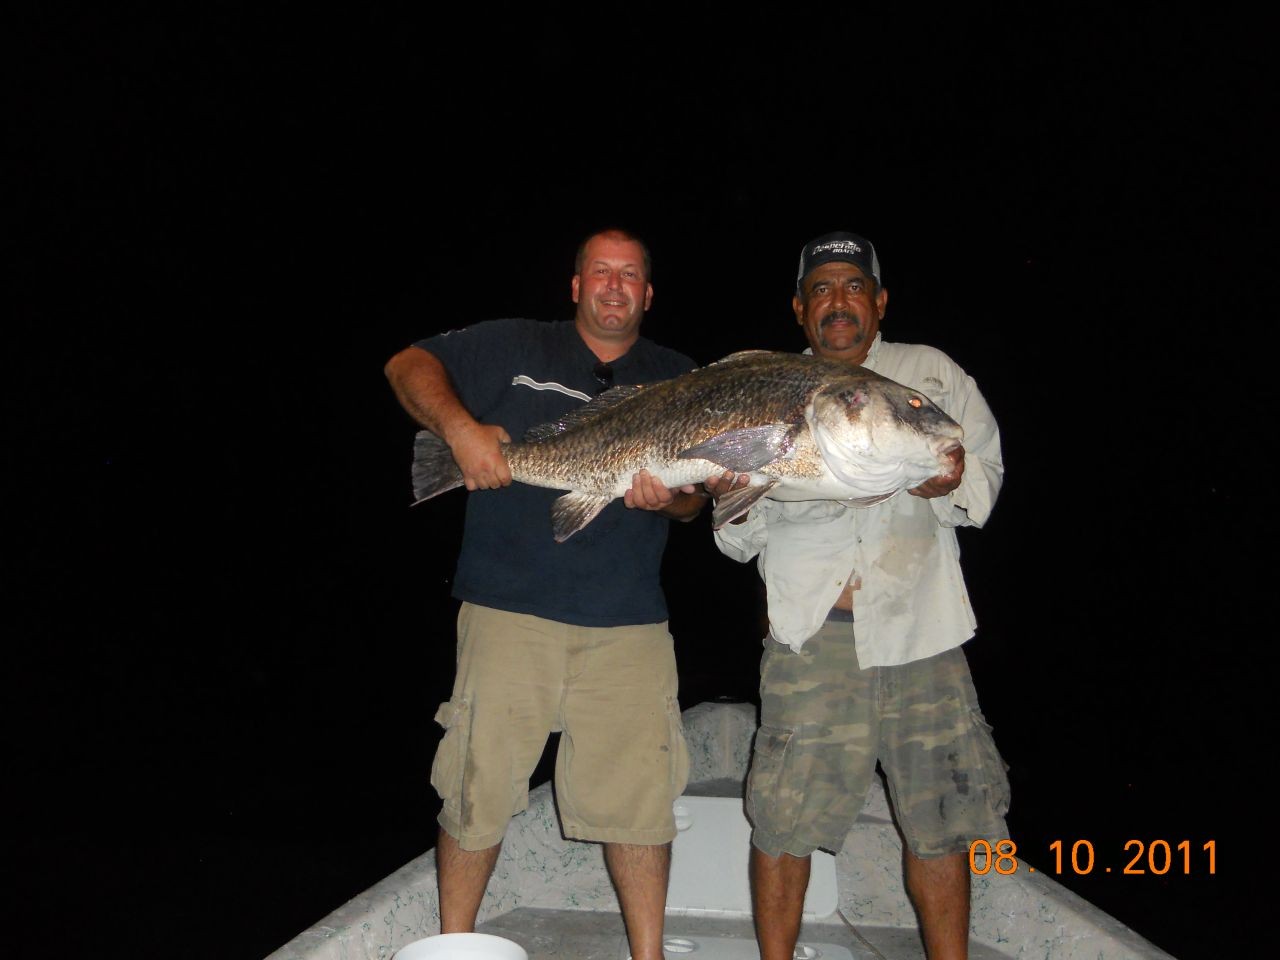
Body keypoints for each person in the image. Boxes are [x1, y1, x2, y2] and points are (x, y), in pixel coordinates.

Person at [384, 229, 709, 960]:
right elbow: (407, 364)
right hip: (507, 613)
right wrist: (462, 434)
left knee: (640, 803)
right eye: (601, 272)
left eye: (630, 275)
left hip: (628, 622)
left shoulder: (678, 376)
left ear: (648, 294)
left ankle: (648, 956)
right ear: (576, 285)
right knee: (477, 791)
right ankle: (456, 947)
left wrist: (673, 500)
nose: (615, 286)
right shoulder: (516, 344)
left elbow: (696, 502)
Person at [708, 231, 1010, 960]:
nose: (837, 302)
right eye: (821, 289)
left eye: (852, 287)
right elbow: (736, 540)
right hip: (812, 639)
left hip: (922, 634)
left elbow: (985, 477)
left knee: (941, 823)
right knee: (783, 825)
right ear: (800, 308)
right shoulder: (764, 388)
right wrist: (731, 497)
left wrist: (948, 483)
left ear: (879, 301)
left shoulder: (929, 374)